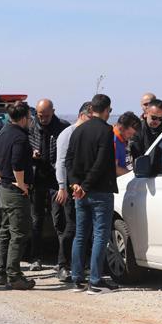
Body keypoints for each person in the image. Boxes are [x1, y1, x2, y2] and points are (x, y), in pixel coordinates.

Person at [66, 94, 119, 294]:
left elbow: (68, 161)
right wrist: (85, 186)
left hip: (80, 192)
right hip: (98, 191)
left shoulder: (78, 131)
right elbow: (101, 163)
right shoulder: (106, 131)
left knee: (80, 235)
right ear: (106, 110)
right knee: (99, 235)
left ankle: (77, 279)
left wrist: (75, 185)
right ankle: (95, 281)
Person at [0, 101, 36, 290]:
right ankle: (14, 275)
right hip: (15, 192)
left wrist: (1, 179)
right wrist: (21, 183)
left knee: (5, 231)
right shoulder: (19, 137)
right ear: (23, 118)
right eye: (30, 118)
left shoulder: (3, 133)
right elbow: (17, 162)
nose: (31, 121)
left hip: (4, 189)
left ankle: (1, 273)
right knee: (20, 232)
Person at [28, 99, 70, 271]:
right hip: (37, 180)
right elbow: (24, 147)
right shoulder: (31, 127)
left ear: (53, 111)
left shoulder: (62, 127)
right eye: (40, 115)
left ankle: (62, 261)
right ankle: (35, 258)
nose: (43, 119)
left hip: (56, 181)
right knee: (36, 221)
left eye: (46, 115)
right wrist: (31, 154)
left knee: (59, 222)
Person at [53, 101, 92, 282]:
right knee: (71, 227)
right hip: (70, 187)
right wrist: (62, 186)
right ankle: (63, 265)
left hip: (85, 187)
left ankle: (81, 264)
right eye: (91, 118)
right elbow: (61, 162)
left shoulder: (88, 133)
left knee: (85, 228)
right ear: (82, 115)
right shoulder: (67, 134)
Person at [113, 111, 141, 176]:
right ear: (121, 128)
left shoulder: (121, 140)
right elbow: (114, 168)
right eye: (129, 134)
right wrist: (132, 175)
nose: (131, 137)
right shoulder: (114, 141)